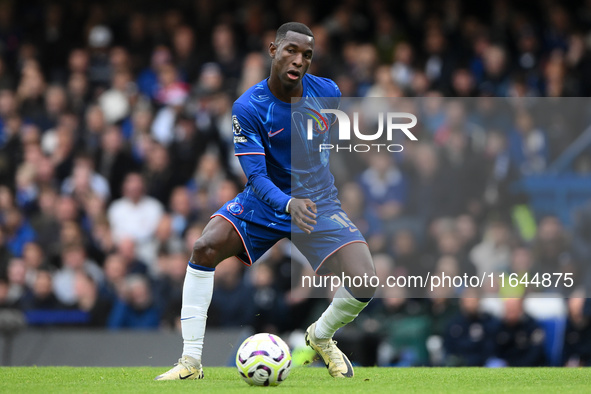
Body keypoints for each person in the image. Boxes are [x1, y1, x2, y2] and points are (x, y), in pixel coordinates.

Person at [155, 22, 376, 381]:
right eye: (291, 50)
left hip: (317, 204)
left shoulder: (329, 92)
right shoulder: (248, 107)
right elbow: (255, 177)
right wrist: (288, 203)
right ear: (273, 50)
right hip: (267, 202)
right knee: (204, 247)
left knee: (365, 281)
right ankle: (191, 362)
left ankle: (320, 336)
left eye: (307, 55)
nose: (299, 60)